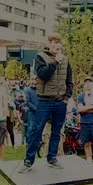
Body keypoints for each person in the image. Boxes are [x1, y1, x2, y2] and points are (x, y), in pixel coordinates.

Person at [19, 32, 73, 173]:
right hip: (44, 100)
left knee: (56, 131)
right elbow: (43, 74)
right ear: (48, 44)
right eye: (53, 42)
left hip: (60, 101)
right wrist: (55, 61)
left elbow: (69, 80)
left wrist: (66, 97)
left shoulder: (66, 59)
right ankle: (28, 161)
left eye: (58, 42)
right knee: (36, 131)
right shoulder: (40, 57)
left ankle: (52, 158)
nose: (56, 45)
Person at [24, 77, 38, 146]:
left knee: (38, 128)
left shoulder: (40, 90)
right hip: (32, 113)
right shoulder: (28, 90)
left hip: (40, 113)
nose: (34, 82)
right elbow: (28, 102)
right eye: (32, 80)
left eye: (35, 80)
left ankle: (37, 143)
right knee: (30, 128)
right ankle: (29, 143)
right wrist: (35, 108)